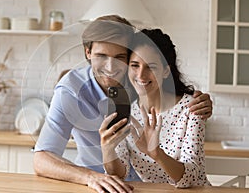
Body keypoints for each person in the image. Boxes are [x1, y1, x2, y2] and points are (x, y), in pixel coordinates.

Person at [34, 15, 213, 193]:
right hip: (100, 184)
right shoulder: (71, 90)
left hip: (154, 186)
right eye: (101, 55)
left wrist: (198, 102)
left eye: (120, 56)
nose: (111, 68)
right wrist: (90, 177)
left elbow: (169, 96)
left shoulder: (138, 82)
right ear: (88, 53)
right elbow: (42, 159)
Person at [99, 28, 211, 188]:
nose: (141, 75)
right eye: (135, 65)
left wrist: (156, 153)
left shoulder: (191, 108)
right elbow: (119, 174)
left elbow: (191, 178)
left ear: (166, 71)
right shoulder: (126, 112)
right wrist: (107, 150)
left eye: (150, 67)